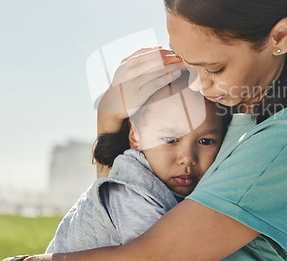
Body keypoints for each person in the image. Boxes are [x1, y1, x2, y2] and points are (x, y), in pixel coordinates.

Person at [4, 0, 287, 261]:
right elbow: (122, 217)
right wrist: (112, 127)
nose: (200, 85)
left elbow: (152, 254)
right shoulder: (243, 110)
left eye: (215, 68)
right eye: (190, 65)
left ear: (281, 37)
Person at [44, 70, 229, 253]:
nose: (187, 158)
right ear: (136, 136)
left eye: (205, 141)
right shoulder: (134, 194)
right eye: (170, 140)